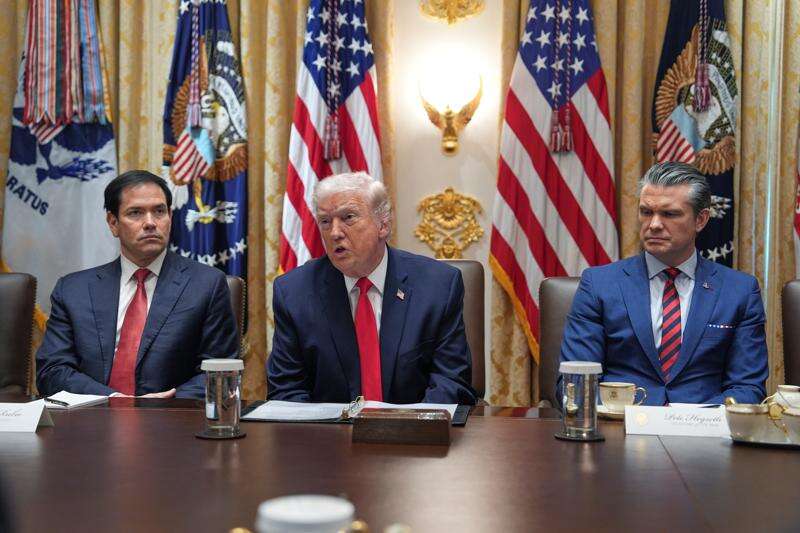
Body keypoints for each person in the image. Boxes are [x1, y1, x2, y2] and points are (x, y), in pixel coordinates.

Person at [559, 162, 767, 405]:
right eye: (646, 212)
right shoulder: (599, 285)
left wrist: (689, 420)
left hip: (703, 425)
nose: (654, 224)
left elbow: (747, 389)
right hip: (621, 422)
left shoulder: (739, 291)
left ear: (700, 220)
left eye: (670, 214)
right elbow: (576, 384)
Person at [268, 171, 477, 405]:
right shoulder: (294, 292)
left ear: (383, 225)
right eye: (325, 221)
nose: (335, 232)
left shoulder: (437, 286)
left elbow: (451, 382)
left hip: (414, 425)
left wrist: (412, 424)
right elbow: (286, 391)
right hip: (328, 428)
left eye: (348, 217)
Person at [36, 170, 239, 399]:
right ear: (113, 223)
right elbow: (52, 371)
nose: (150, 223)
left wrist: (170, 400)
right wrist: (114, 400)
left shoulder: (206, 285)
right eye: (135, 213)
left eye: (159, 211)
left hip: (171, 416)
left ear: (170, 217)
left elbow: (221, 371)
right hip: (93, 415)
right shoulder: (73, 290)